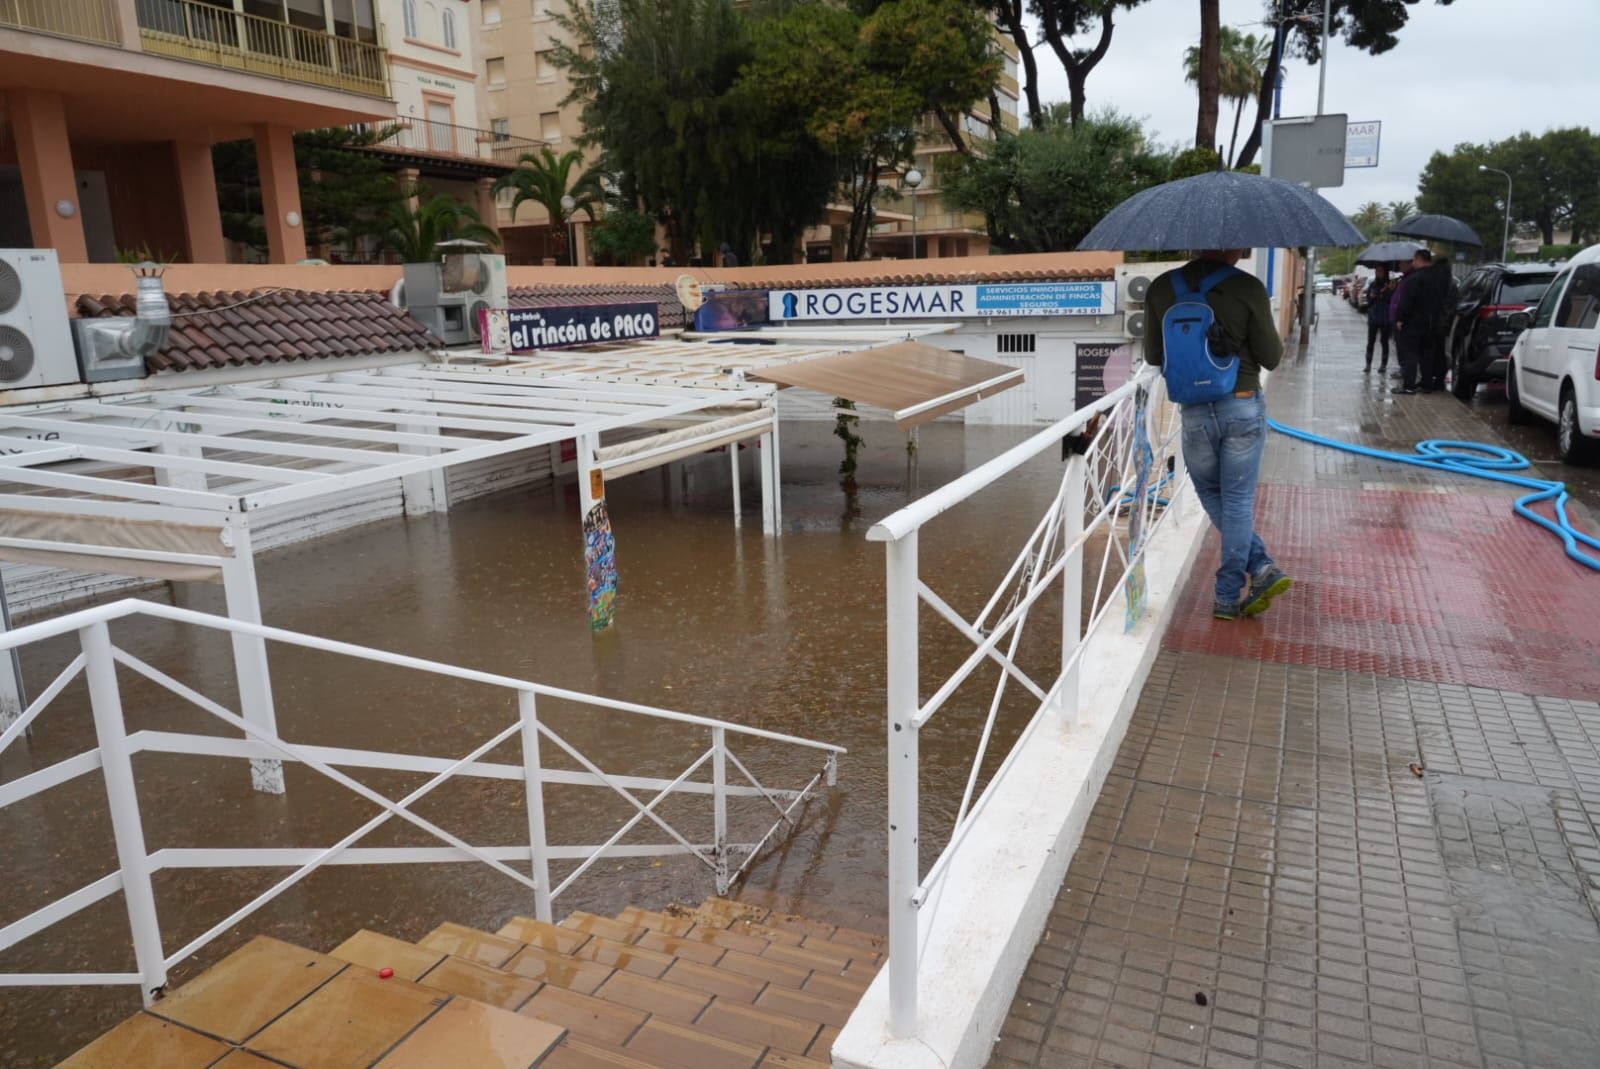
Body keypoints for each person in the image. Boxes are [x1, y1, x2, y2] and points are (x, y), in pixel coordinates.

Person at [1145, 250, 1292, 621]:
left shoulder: (1162, 288)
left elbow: (1152, 354)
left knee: (1211, 493)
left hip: (1194, 411)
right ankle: (1233, 590)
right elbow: (1271, 358)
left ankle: (1258, 571)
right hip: (1241, 405)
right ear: (1233, 246)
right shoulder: (1247, 287)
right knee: (1238, 502)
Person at [1395, 249, 1449, 394]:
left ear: (1419, 259)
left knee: (1411, 354)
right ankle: (1426, 384)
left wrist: (1400, 318)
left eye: (1414, 260)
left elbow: (1407, 301)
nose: (1412, 263)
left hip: (1414, 323)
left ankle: (1409, 386)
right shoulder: (1438, 278)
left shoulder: (1415, 278)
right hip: (1432, 323)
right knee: (1427, 354)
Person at [1364, 267, 1396, 373]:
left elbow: (1392, 300)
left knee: (1384, 341)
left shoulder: (1390, 285)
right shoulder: (1373, 284)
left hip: (1385, 316)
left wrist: (1384, 293)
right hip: (1374, 316)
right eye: (1377, 271)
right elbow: (1369, 301)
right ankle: (1368, 364)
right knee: (1371, 341)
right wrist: (1372, 297)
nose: (1379, 273)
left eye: (1381, 271)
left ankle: (1383, 365)